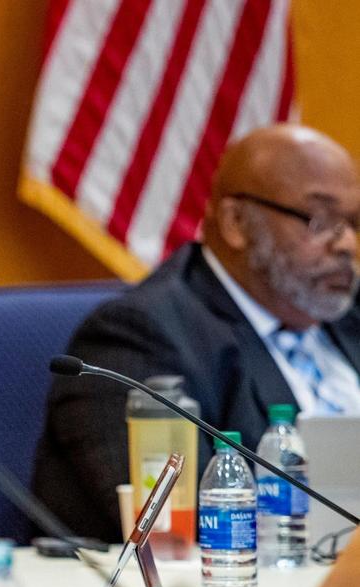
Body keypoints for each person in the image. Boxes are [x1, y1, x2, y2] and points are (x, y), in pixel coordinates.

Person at [32, 124, 360, 543]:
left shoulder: (349, 315)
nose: (347, 244)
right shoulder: (140, 337)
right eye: (320, 220)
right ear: (236, 222)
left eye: (353, 223)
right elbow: (180, 530)